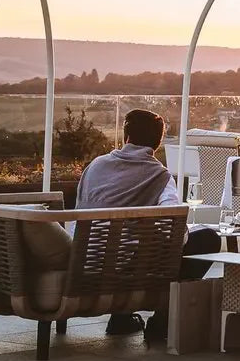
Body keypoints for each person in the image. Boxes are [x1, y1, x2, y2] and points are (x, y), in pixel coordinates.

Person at [75, 108, 220, 340]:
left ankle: (121, 318)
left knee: (130, 243)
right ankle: (163, 318)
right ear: (157, 143)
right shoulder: (159, 175)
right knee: (207, 238)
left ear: (126, 137)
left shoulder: (95, 166)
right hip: (127, 272)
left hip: (86, 261)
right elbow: (175, 230)